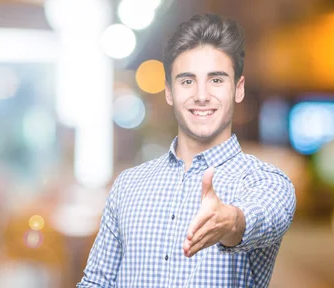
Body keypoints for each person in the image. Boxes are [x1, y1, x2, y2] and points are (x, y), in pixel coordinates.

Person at [77, 13, 296, 287]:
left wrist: (229, 221)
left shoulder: (268, 182)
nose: (201, 95)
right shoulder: (127, 186)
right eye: (187, 81)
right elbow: (97, 281)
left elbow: (262, 217)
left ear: (238, 89)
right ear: (169, 91)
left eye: (216, 80)